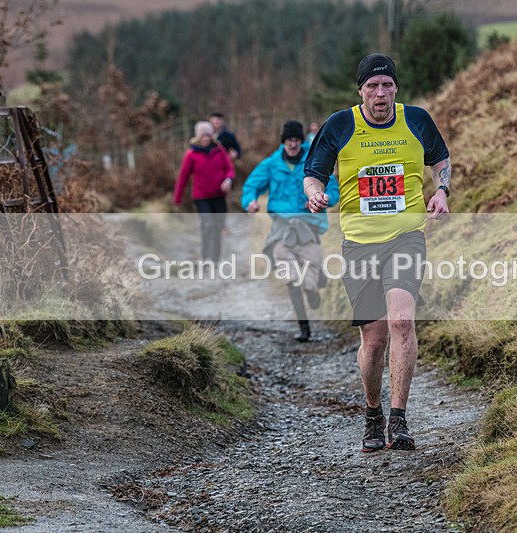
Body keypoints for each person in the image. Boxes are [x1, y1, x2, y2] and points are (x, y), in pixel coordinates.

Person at [303, 53, 451, 452]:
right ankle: (373, 413)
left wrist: (441, 190)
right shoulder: (340, 125)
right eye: (373, 86)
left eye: (387, 85)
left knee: (402, 320)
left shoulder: (416, 120)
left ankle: (399, 419)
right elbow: (313, 173)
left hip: (406, 237)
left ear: (396, 89)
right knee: (375, 337)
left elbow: (440, 159)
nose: (381, 93)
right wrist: (316, 195)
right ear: (361, 91)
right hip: (359, 244)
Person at [242, 120, 339, 342]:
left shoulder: (315, 162)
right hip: (282, 229)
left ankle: (313, 289)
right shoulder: (271, 164)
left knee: (311, 278)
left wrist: (323, 198)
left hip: (309, 227)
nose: (293, 144)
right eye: (289, 141)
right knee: (291, 277)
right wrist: (250, 201)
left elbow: (333, 189)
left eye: (296, 140)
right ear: (283, 142)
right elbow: (251, 186)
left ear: (301, 141)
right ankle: (303, 327)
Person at [173, 120, 235, 262]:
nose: (206, 138)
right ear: (198, 137)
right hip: (201, 197)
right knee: (208, 225)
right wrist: (178, 197)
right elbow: (183, 176)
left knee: (217, 228)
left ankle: (215, 259)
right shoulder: (191, 154)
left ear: (212, 136)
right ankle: (206, 258)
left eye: (208, 135)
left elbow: (230, 169)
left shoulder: (220, 151)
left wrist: (228, 180)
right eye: (203, 136)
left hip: (219, 196)